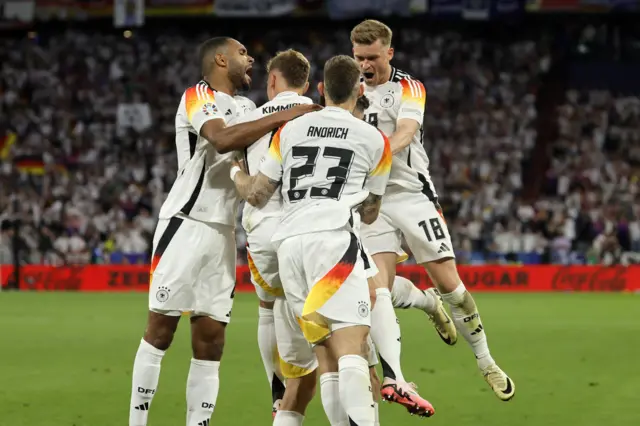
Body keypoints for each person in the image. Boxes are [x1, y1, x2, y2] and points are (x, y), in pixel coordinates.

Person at [128, 37, 319, 426]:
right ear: (220, 59)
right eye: (243, 53)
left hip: (223, 234)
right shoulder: (198, 96)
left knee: (211, 341)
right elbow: (220, 138)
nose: (251, 60)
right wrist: (286, 115)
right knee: (161, 330)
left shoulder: (249, 108)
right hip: (185, 223)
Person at [351, 19, 515, 402]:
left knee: (452, 286)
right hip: (371, 202)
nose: (365, 65)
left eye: (372, 57)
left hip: (411, 195)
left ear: (389, 53)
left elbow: (406, 132)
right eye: (359, 57)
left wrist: (376, 158)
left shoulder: (409, 87)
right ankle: (425, 306)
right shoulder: (349, 87)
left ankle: (486, 360)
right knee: (378, 293)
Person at [231, 55, 390, 426]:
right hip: (333, 241)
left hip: (290, 249)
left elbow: (258, 192)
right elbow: (370, 213)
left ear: (321, 89)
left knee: (325, 359)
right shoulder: (374, 139)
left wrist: (238, 173)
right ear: (359, 90)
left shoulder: (291, 129)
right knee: (351, 348)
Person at [233, 48, 314, 418]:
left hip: (264, 226)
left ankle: (277, 390)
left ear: (271, 81)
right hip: (311, 227)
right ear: (307, 84)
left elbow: (239, 172)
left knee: (268, 308)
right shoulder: (322, 114)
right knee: (329, 322)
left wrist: (236, 171)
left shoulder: (248, 118)